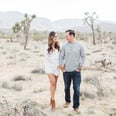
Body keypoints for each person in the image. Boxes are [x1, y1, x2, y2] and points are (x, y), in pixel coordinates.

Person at [59, 29, 86, 113]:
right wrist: (61, 66)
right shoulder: (64, 46)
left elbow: (83, 56)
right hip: (66, 71)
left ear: (72, 36)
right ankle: (67, 101)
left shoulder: (80, 45)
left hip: (76, 71)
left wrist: (80, 66)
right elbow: (61, 56)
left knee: (77, 89)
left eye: (67, 36)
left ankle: (76, 106)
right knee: (67, 87)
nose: (65, 37)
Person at [44, 31, 60, 110]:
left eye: (57, 36)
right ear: (51, 37)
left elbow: (60, 57)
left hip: (57, 68)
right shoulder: (47, 48)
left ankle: (51, 97)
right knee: (53, 82)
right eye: (55, 36)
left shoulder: (58, 47)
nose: (57, 37)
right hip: (49, 67)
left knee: (54, 84)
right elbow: (47, 59)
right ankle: (53, 101)